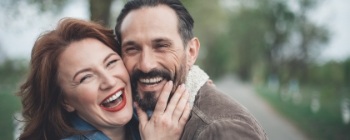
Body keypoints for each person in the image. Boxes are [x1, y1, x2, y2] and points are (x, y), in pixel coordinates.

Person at [114, 0, 268, 139]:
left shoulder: (222, 131)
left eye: (161, 46)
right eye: (132, 49)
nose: (146, 65)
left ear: (191, 52)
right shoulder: (132, 115)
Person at [17, 18, 191, 140]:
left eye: (111, 63)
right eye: (86, 77)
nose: (109, 81)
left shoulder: (148, 114)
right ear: (66, 101)